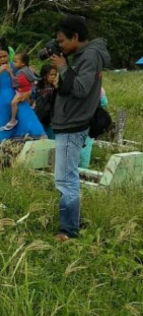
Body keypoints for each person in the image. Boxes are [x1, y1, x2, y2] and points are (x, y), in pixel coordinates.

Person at [50, 15, 110, 242]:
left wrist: (64, 68)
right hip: (70, 122)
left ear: (75, 37)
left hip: (73, 124)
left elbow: (81, 88)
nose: (60, 45)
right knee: (68, 177)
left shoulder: (90, 56)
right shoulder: (83, 56)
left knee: (65, 180)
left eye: (62, 41)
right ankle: (72, 221)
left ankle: (68, 230)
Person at [0, 40, 46, 154]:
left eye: (5, 56)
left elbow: (35, 84)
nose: (3, 59)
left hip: (20, 104)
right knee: (2, 136)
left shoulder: (17, 65)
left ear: (9, 56)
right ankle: (1, 163)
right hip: (2, 108)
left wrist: (28, 93)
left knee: (32, 127)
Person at [1, 53, 40, 131]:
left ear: (22, 63)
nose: (14, 64)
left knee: (13, 103)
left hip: (22, 92)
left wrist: (10, 73)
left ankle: (13, 120)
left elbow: (15, 83)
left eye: (15, 62)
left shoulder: (20, 72)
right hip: (28, 91)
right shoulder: (28, 70)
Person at [34, 65, 58, 135]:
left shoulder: (56, 87)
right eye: (51, 75)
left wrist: (56, 88)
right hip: (40, 115)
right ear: (44, 76)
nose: (53, 77)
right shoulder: (38, 86)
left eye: (55, 75)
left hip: (51, 118)